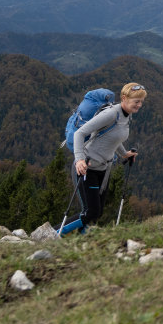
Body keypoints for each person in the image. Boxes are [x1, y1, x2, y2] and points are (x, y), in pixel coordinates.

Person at [63, 82, 145, 235]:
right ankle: (52, 234)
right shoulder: (111, 114)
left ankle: (82, 243)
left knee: (96, 212)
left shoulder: (126, 116)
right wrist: (80, 159)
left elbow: (114, 138)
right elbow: (79, 133)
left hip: (103, 169)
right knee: (91, 212)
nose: (139, 105)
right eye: (136, 101)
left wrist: (124, 154)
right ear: (124, 98)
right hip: (87, 168)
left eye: (141, 102)